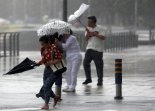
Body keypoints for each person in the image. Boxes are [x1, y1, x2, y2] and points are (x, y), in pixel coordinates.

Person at [37, 36, 62, 110]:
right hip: (46, 70)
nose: (42, 45)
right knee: (46, 86)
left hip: (54, 70)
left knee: (46, 86)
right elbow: (43, 59)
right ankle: (55, 97)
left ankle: (46, 104)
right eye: (41, 44)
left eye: (43, 44)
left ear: (48, 42)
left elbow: (60, 58)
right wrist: (39, 63)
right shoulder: (43, 49)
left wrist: (51, 62)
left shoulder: (54, 49)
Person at [83, 16, 106, 86]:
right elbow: (86, 39)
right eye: (88, 21)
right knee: (85, 63)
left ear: (93, 22)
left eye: (89, 22)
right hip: (89, 48)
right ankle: (88, 78)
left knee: (99, 66)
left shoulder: (100, 28)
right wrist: (88, 33)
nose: (88, 23)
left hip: (98, 50)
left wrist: (96, 34)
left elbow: (103, 37)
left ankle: (100, 80)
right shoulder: (87, 29)